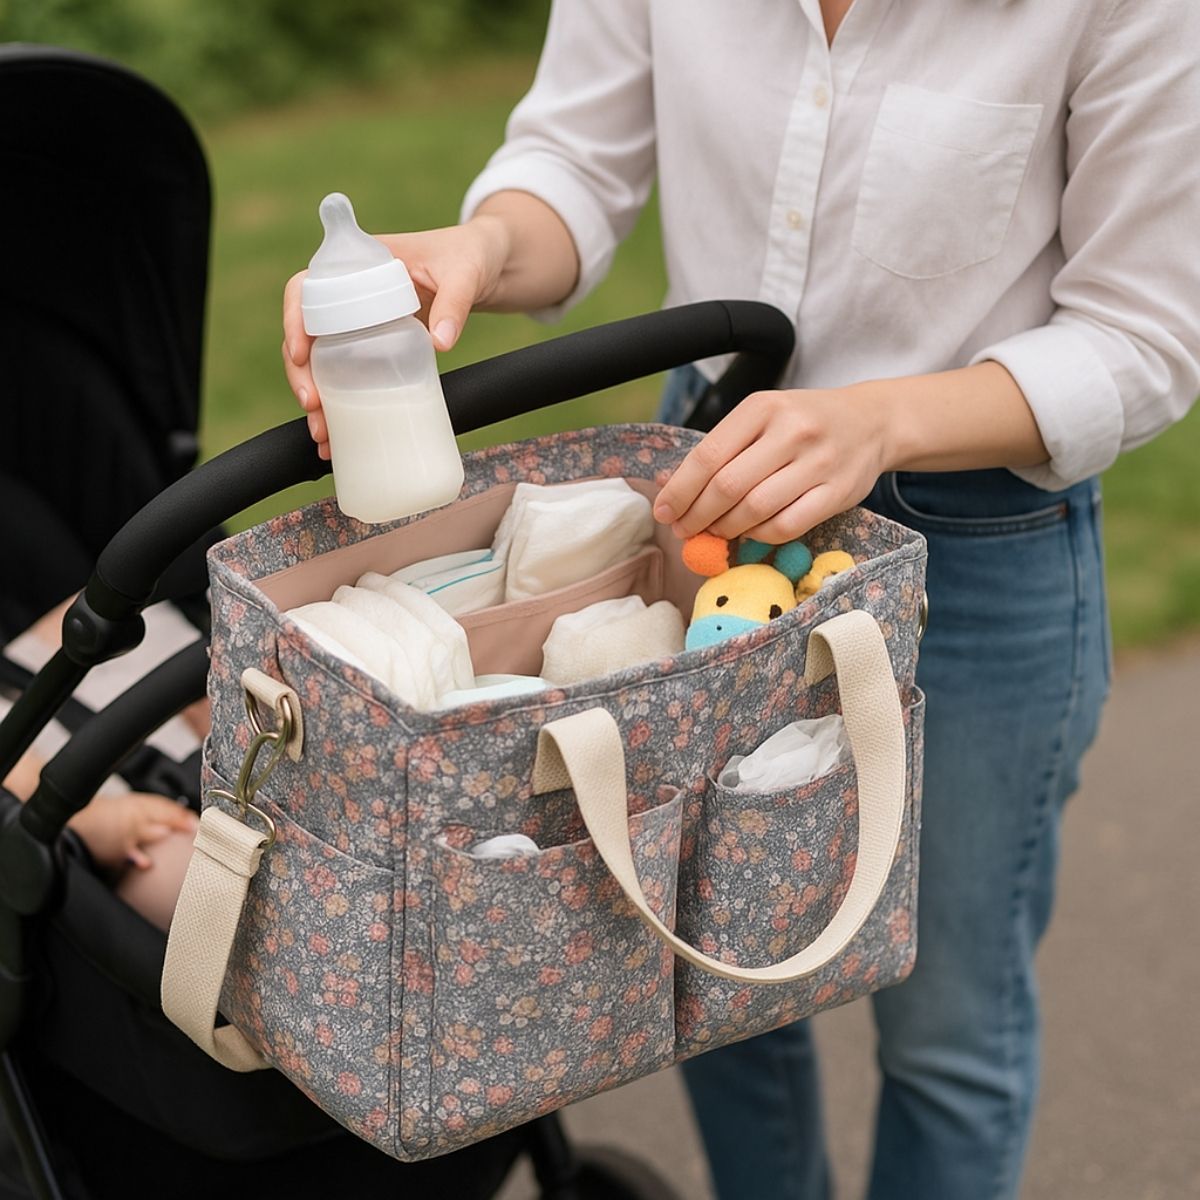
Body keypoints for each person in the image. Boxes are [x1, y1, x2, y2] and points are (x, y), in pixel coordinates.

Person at [281, 3, 1200, 1196]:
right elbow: (574, 165)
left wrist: (882, 418)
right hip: (706, 508)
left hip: (972, 540)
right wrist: (481, 248)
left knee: (948, 1032)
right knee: (705, 977)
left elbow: (1145, 337)